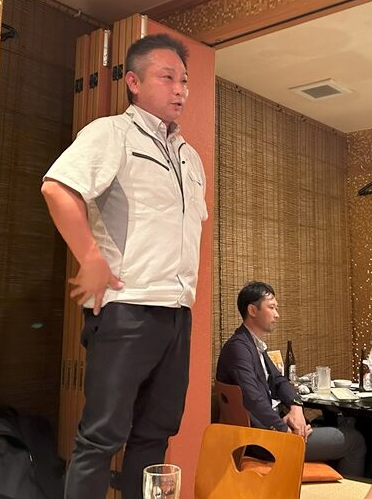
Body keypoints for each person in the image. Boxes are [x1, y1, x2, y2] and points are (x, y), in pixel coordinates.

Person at [41, 34, 207, 499]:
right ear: (133, 82)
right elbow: (58, 187)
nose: (180, 89)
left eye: (184, 80)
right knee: (101, 436)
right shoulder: (111, 132)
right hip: (126, 309)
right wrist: (91, 258)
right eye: (167, 77)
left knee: (156, 434)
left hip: (177, 312)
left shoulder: (190, 156)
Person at [216, 280, 366, 477]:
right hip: (264, 441)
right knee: (355, 441)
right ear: (252, 310)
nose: (277, 315)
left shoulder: (252, 345)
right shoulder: (239, 348)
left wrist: (296, 407)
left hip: (270, 430)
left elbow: (279, 381)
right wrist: (284, 430)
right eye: (271, 307)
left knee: (339, 425)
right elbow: (252, 398)